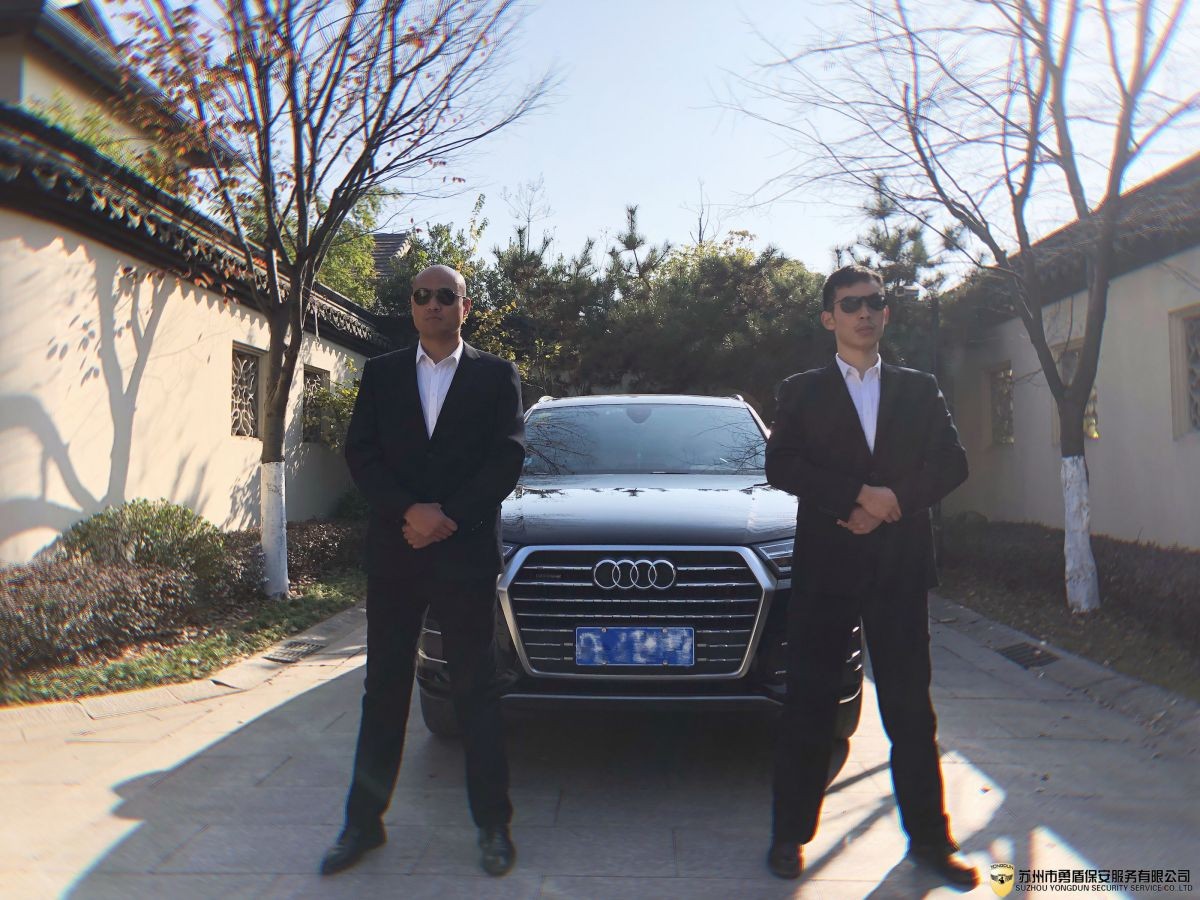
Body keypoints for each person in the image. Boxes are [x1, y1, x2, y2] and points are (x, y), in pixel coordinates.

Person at [764, 264, 977, 888]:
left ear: (886, 312)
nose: (864, 312)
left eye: (874, 302)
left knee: (910, 708)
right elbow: (783, 465)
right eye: (850, 303)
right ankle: (788, 836)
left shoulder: (918, 389)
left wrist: (892, 503)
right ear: (828, 317)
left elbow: (952, 462)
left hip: (898, 568)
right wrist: (858, 496)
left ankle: (931, 841)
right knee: (808, 703)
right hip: (826, 568)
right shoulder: (802, 391)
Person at [320, 264, 525, 878]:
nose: (432, 304)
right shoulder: (382, 373)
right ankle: (363, 823)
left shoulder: (496, 375)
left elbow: (507, 457)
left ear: (465, 306)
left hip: (464, 553)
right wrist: (409, 511)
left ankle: (493, 825)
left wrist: (447, 516)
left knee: (475, 689)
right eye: (422, 295)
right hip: (396, 551)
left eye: (445, 296)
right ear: (411, 306)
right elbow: (362, 452)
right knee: (384, 688)